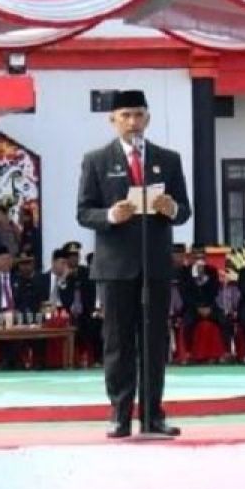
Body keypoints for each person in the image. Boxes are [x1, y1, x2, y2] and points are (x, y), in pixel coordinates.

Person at [76, 88, 192, 438]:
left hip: (154, 263)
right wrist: (110, 214)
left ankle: (153, 414)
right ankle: (120, 414)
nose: (133, 122)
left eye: (139, 115)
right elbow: (83, 211)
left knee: (155, 342)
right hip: (115, 267)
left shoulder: (167, 159)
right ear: (113, 120)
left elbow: (184, 209)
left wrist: (170, 209)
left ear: (148, 118)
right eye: (125, 115)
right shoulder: (97, 159)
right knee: (118, 342)